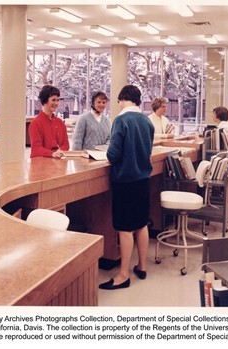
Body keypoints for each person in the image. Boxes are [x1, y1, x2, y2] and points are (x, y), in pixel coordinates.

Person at [99, 85, 154, 290]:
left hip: (125, 180)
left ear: (122, 99)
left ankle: (123, 275)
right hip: (143, 179)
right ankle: (142, 266)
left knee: (124, 228)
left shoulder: (121, 120)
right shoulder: (146, 121)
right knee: (141, 224)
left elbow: (113, 155)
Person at [28, 85, 69, 158]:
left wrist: (59, 152)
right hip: (41, 164)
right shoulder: (35, 123)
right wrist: (52, 154)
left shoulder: (60, 122)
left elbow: (66, 144)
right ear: (45, 100)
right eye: (53, 100)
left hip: (58, 163)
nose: (56, 103)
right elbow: (36, 149)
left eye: (57, 100)